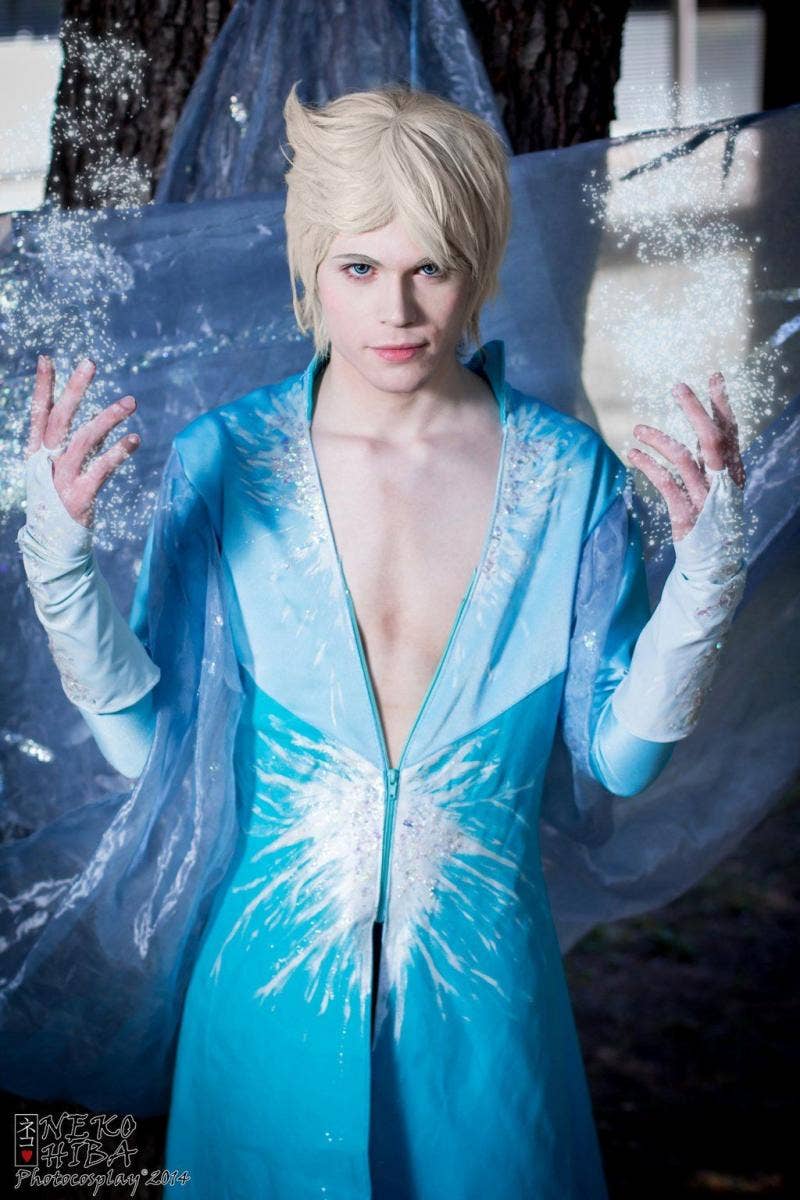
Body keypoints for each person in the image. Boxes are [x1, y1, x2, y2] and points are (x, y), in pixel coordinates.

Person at [16, 85, 747, 1199]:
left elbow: (619, 758)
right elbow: (144, 751)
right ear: (310, 265)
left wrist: (701, 591)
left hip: (484, 1031)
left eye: (430, 268)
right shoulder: (223, 462)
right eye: (359, 267)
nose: (396, 310)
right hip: (261, 1018)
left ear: (478, 266)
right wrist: (62, 573)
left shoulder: (570, 478)